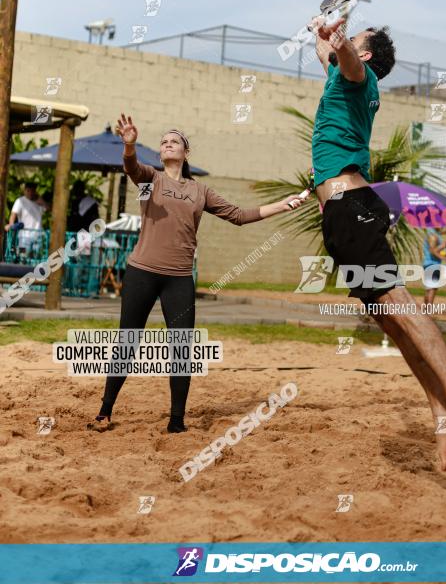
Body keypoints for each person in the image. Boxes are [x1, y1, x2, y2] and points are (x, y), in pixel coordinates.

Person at [311, 17, 446, 471]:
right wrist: (319, 28)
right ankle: (440, 409)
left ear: (364, 54)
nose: (342, 50)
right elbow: (327, 52)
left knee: (400, 303)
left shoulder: (358, 76)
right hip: (340, 213)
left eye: (354, 45)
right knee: (389, 321)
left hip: (353, 206)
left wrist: (341, 39)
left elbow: (344, 56)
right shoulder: (340, 76)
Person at [90, 114, 303, 434]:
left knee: (181, 348)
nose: (167, 144)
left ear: (185, 152)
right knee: (127, 342)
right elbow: (132, 168)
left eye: (174, 140)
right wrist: (130, 145)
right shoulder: (151, 178)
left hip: (178, 278)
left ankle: (177, 421)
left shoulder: (200, 190)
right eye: (163, 141)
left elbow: (239, 215)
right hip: (142, 273)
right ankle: (105, 411)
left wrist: (282, 205)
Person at [4, 181, 46, 260]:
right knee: (23, 258)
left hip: (38, 235)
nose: (30, 193)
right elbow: (13, 215)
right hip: (24, 236)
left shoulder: (39, 201)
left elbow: (49, 209)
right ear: (24, 191)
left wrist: (42, 202)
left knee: (36, 260)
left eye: (32, 191)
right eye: (28, 191)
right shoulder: (20, 201)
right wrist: (11, 226)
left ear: (35, 191)